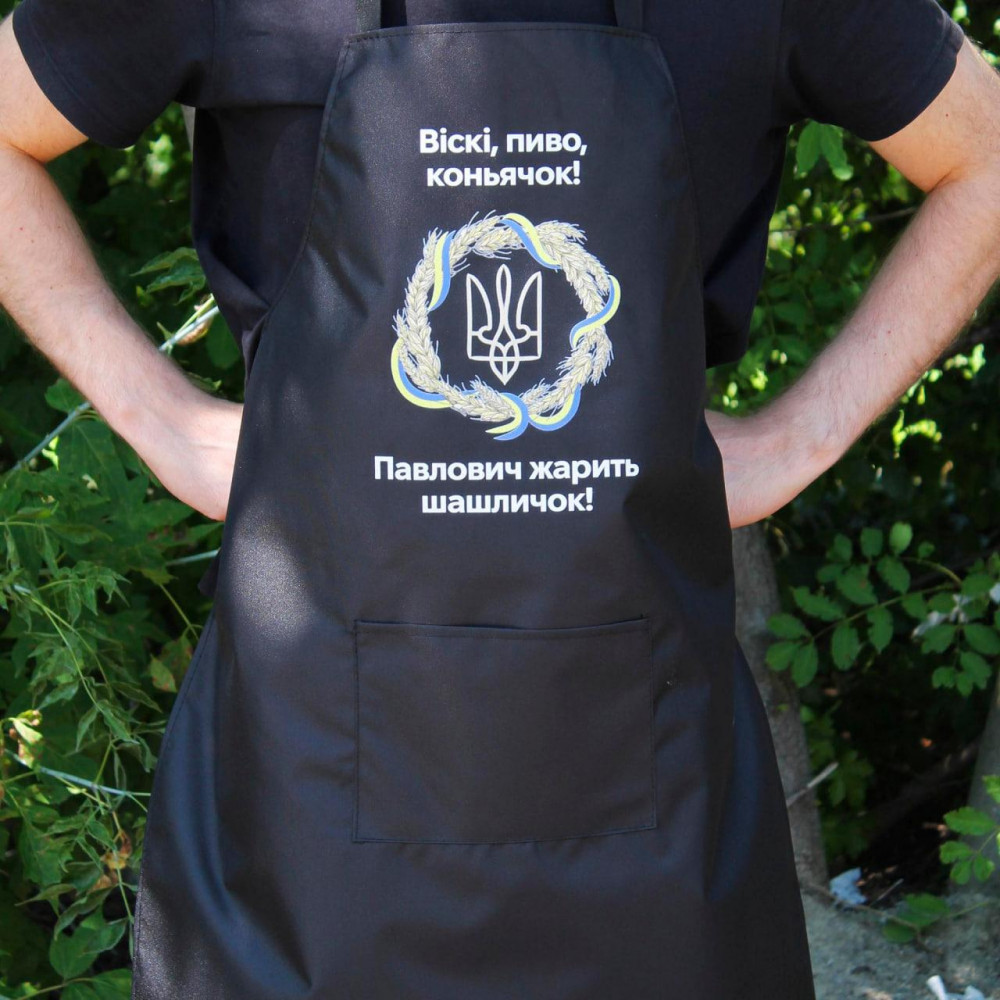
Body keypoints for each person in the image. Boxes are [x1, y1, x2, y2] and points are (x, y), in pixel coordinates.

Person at [1, 1, 998, 997]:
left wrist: (798, 438)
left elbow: (984, 160)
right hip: (304, 797)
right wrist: (163, 421)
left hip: (649, 812)